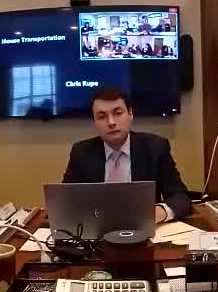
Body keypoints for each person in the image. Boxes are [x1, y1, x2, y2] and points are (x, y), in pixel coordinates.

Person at [62, 87, 191, 222]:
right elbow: (65, 201)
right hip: (96, 228)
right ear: (94, 122)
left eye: (118, 113)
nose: (111, 122)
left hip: (143, 228)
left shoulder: (155, 148)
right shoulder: (81, 153)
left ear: (130, 114)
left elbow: (181, 197)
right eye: (102, 117)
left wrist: (159, 213)